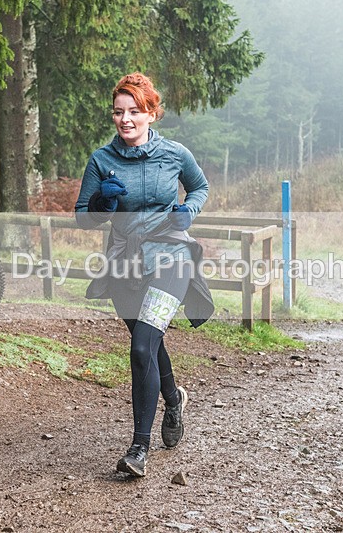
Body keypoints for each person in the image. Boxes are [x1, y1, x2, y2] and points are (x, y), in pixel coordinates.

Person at [74, 72, 214, 477]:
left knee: (141, 349)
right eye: (119, 112)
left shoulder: (174, 154)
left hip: (171, 256)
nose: (126, 119)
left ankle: (139, 448)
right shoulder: (101, 159)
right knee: (148, 342)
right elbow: (83, 218)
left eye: (135, 111)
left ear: (152, 113)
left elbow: (200, 187)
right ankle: (173, 398)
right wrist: (101, 202)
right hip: (125, 261)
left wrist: (188, 211)